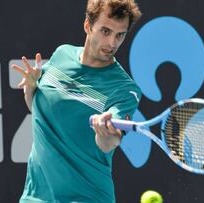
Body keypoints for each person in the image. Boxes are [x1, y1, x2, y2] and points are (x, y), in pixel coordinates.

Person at [11, 0, 142, 202]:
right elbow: (40, 112)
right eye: (105, 31)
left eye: (120, 35)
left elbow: (110, 141)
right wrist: (31, 87)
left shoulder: (125, 90)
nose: (112, 43)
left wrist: (104, 132)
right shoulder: (62, 54)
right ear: (88, 26)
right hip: (36, 195)